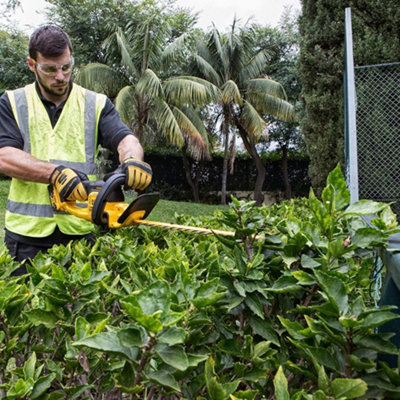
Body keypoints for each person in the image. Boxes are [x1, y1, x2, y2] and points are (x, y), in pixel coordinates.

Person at [0, 25, 152, 274]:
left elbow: (125, 138)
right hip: (25, 237)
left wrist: (133, 161)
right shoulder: (12, 102)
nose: (60, 76)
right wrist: (56, 174)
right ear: (31, 64)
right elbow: (4, 155)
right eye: (49, 69)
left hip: (79, 232)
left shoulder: (95, 103)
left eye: (66, 67)